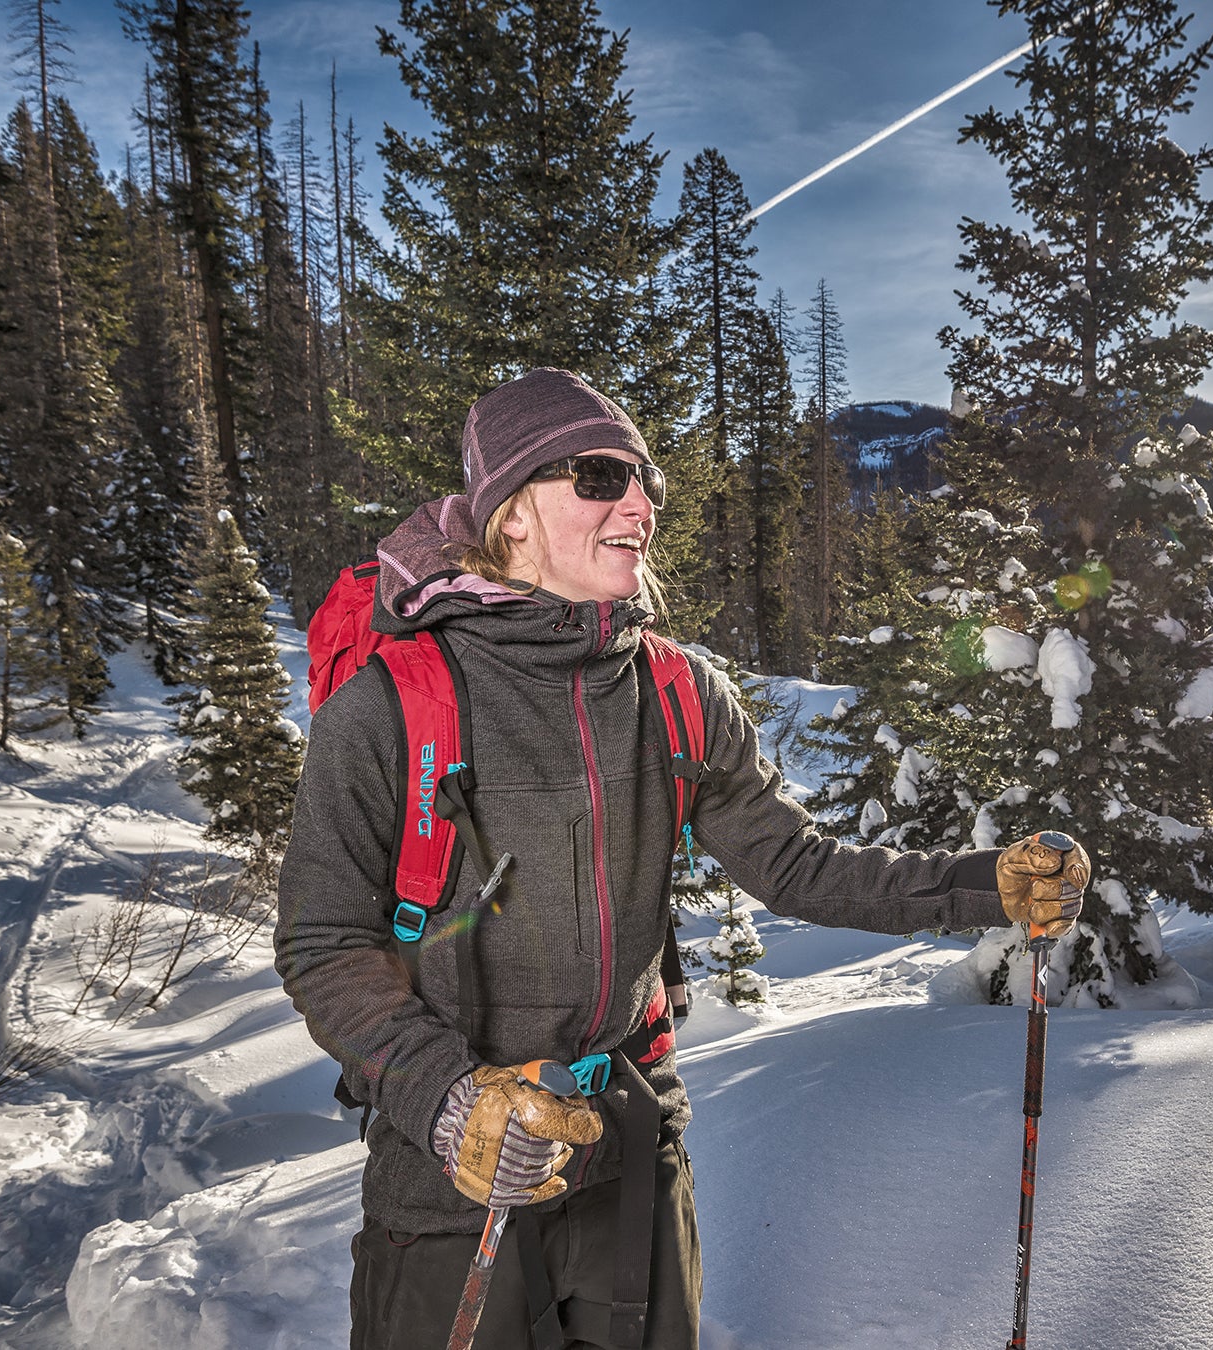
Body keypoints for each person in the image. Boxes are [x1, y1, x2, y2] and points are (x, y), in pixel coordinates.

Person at [275, 367, 1091, 1350]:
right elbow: (324, 946)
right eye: (596, 477)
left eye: (645, 480)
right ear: (510, 517)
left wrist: (979, 885)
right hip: (451, 1182)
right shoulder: (394, 704)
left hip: (631, 1155)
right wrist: (449, 1103)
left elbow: (795, 864)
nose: (638, 503)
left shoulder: (674, 689)